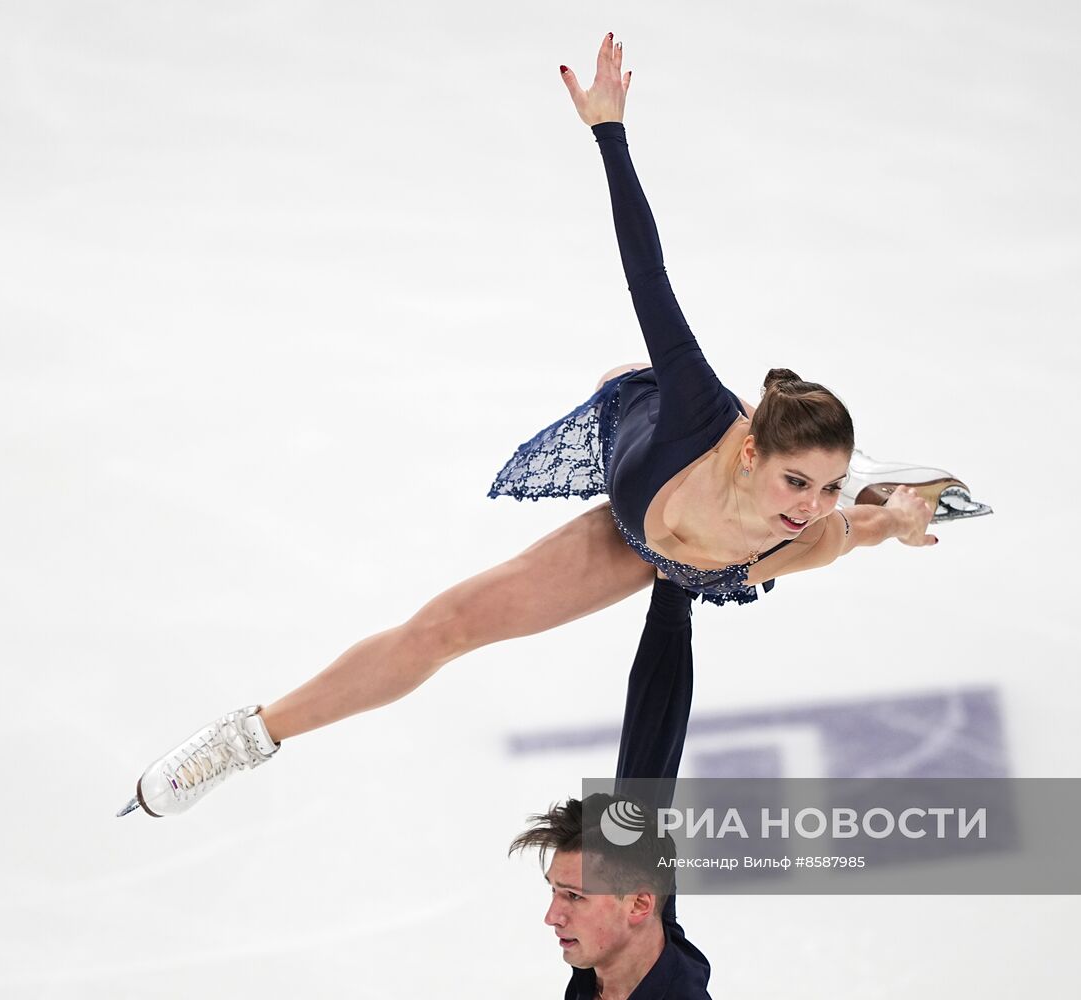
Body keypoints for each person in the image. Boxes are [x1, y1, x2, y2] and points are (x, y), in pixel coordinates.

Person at [118, 33, 945, 819]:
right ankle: (244, 738)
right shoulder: (701, 412)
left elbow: (852, 530)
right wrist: (610, 133)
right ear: (754, 451)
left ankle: (867, 500)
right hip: (650, 434)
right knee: (453, 613)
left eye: (825, 486)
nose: (807, 502)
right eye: (796, 479)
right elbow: (646, 270)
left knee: (844, 533)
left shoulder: (805, 536)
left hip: (656, 550)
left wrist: (896, 520)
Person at [511, 577, 709, 999]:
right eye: (557, 892)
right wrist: (671, 591)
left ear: (638, 905)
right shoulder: (638, 928)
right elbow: (651, 742)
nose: (552, 916)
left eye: (574, 897)